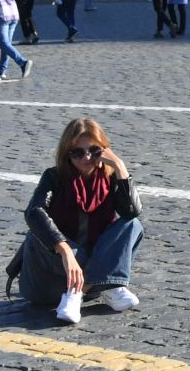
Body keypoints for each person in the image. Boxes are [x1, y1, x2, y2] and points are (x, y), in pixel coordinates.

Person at [13, 118, 144, 324]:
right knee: (37, 232)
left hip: (88, 281)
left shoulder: (110, 179)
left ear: (104, 150)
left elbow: (132, 211)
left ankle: (78, 293)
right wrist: (65, 251)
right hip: (49, 283)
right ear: (67, 153)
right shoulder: (54, 177)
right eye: (78, 152)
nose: (87, 157)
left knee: (132, 225)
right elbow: (34, 211)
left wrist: (120, 167)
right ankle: (108, 283)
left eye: (94, 150)